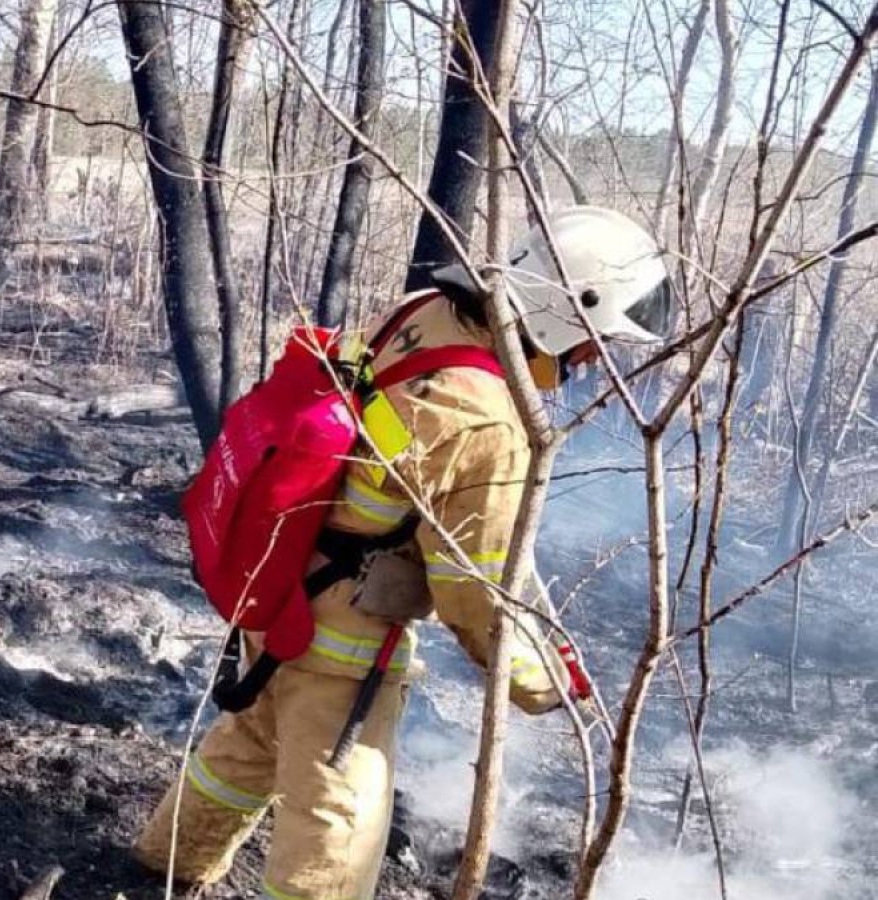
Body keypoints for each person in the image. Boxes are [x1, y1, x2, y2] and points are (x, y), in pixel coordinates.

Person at [134, 206, 673, 899]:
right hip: (343, 636)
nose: (593, 360)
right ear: (564, 314)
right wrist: (544, 685)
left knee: (248, 745)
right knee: (340, 821)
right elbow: (474, 591)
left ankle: (165, 864)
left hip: (280, 572)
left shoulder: (423, 311)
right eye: (594, 341)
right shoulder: (487, 420)